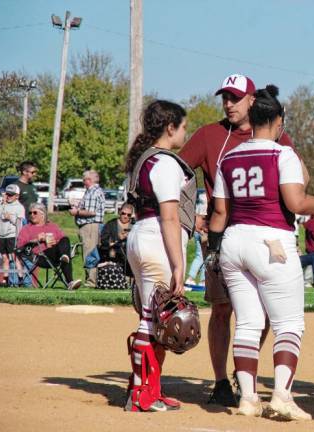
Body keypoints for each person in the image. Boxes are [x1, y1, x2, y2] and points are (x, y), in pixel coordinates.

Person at [208, 84, 314, 420]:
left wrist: (213, 248)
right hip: (271, 242)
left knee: (248, 323)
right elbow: (297, 203)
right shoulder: (283, 154)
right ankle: (281, 395)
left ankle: (248, 398)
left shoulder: (229, 156)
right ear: (279, 120)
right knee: (289, 323)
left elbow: (219, 213)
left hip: (234, 241)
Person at [179, 74, 307, 406]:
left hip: (258, 234)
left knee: (258, 315)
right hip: (225, 236)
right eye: (225, 97)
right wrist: (189, 214)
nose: (228, 104)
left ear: (253, 100)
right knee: (222, 310)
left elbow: (299, 178)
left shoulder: (275, 136)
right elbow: (177, 171)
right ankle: (222, 380)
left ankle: (243, 378)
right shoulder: (210, 134)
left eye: (235, 97)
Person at [124, 100, 195, 412]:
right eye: (182, 127)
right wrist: (179, 265)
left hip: (142, 234)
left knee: (152, 319)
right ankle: (142, 394)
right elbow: (169, 217)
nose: (185, 133)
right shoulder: (165, 163)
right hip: (156, 239)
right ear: (170, 128)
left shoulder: (143, 159)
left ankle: (146, 388)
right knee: (153, 321)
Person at [16, 203, 82, 290]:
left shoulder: (52, 226)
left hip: (55, 255)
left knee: (65, 240)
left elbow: (62, 240)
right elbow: (20, 247)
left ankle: (70, 282)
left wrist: (55, 241)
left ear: (42, 214)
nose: (32, 215)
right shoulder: (26, 229)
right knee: (65, 256)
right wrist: (36, 240)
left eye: (35, 213)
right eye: (30, 213)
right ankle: (70, 281)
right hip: (39, 257)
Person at [69, 170, 105, 287]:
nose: (83, 182)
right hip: (90, 225)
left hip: (90, 226)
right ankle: (91, 280)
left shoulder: (93, 192)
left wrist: (76, 212)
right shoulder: (93, 191)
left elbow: (91, 212)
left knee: (89, 253)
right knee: (90, 252)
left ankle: (91, 281)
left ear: (89, 180)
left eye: (84, 180)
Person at [0, 184, 25, 286]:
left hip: (12, 235)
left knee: (14, 257)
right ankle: (5, 279)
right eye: (7, 194)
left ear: (17, 196)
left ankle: (21, 279)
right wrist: (2, 203)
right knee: (4, 258)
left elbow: (19, 223)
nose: (8, 196)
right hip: (2, 235)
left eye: (11, 195)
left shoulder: (19, 207)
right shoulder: (3, 204)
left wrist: (10, 218)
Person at [186, 190, 208, 287]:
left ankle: (190, 278)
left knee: (199, 255)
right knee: (205, 257)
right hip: (204, 231)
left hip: (196, 230)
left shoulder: (197, 201)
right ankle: (203, 281)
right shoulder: (206, 203)